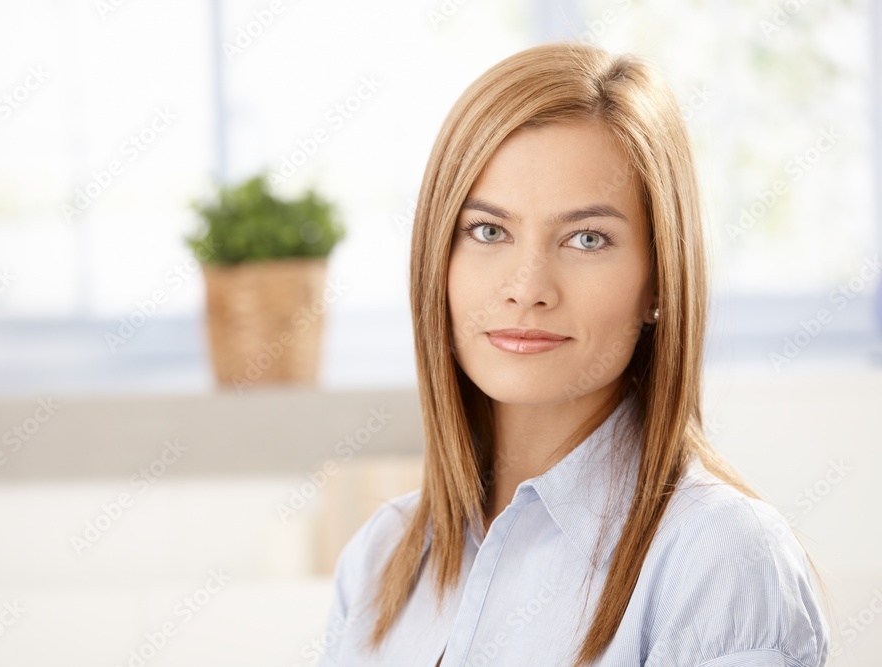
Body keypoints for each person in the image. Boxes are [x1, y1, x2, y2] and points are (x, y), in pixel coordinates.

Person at [318, 42, 830, 667]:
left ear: (659, 282)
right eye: (488, 231)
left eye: (587, 239)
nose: (527, 288)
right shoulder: (379, 561)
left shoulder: (718, 555)